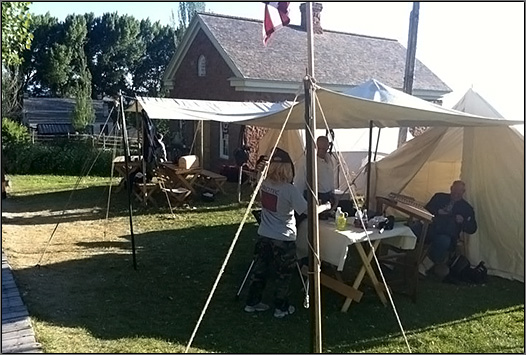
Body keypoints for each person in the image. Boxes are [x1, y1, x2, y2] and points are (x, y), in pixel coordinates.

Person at [244, 148, 308, 318]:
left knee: (260, 271)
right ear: (288, 169)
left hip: (264, 234)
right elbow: (307, 210)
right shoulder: (289, 189)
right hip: (283, 238)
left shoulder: (263, 182)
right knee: (283, 275)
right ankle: (281, 308)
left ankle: (252, 302)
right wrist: (326, 206)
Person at [418, 180, 478, 276]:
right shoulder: (439, 197)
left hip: (447, 234)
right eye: (455, 190)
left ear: (463, 192)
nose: (456, 194)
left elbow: (472, 228)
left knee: (443, 241)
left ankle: (423, 266)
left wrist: (463, 221)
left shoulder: (466, 208)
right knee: (412, 229)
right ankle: (392, 259)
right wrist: (437, 211)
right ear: (451, 188)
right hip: (429, 227)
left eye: (459, 192)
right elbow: (425, 209)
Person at [294, 135, 336, 215]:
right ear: (316, 147)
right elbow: (299, 181)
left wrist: (332, 193)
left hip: (327, 196)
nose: (323, 151)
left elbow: (330, 177)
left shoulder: (329, 159)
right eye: (321, 149)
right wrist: (299, 202)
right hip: (314, 195)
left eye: (325, 149)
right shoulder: (308, 160)